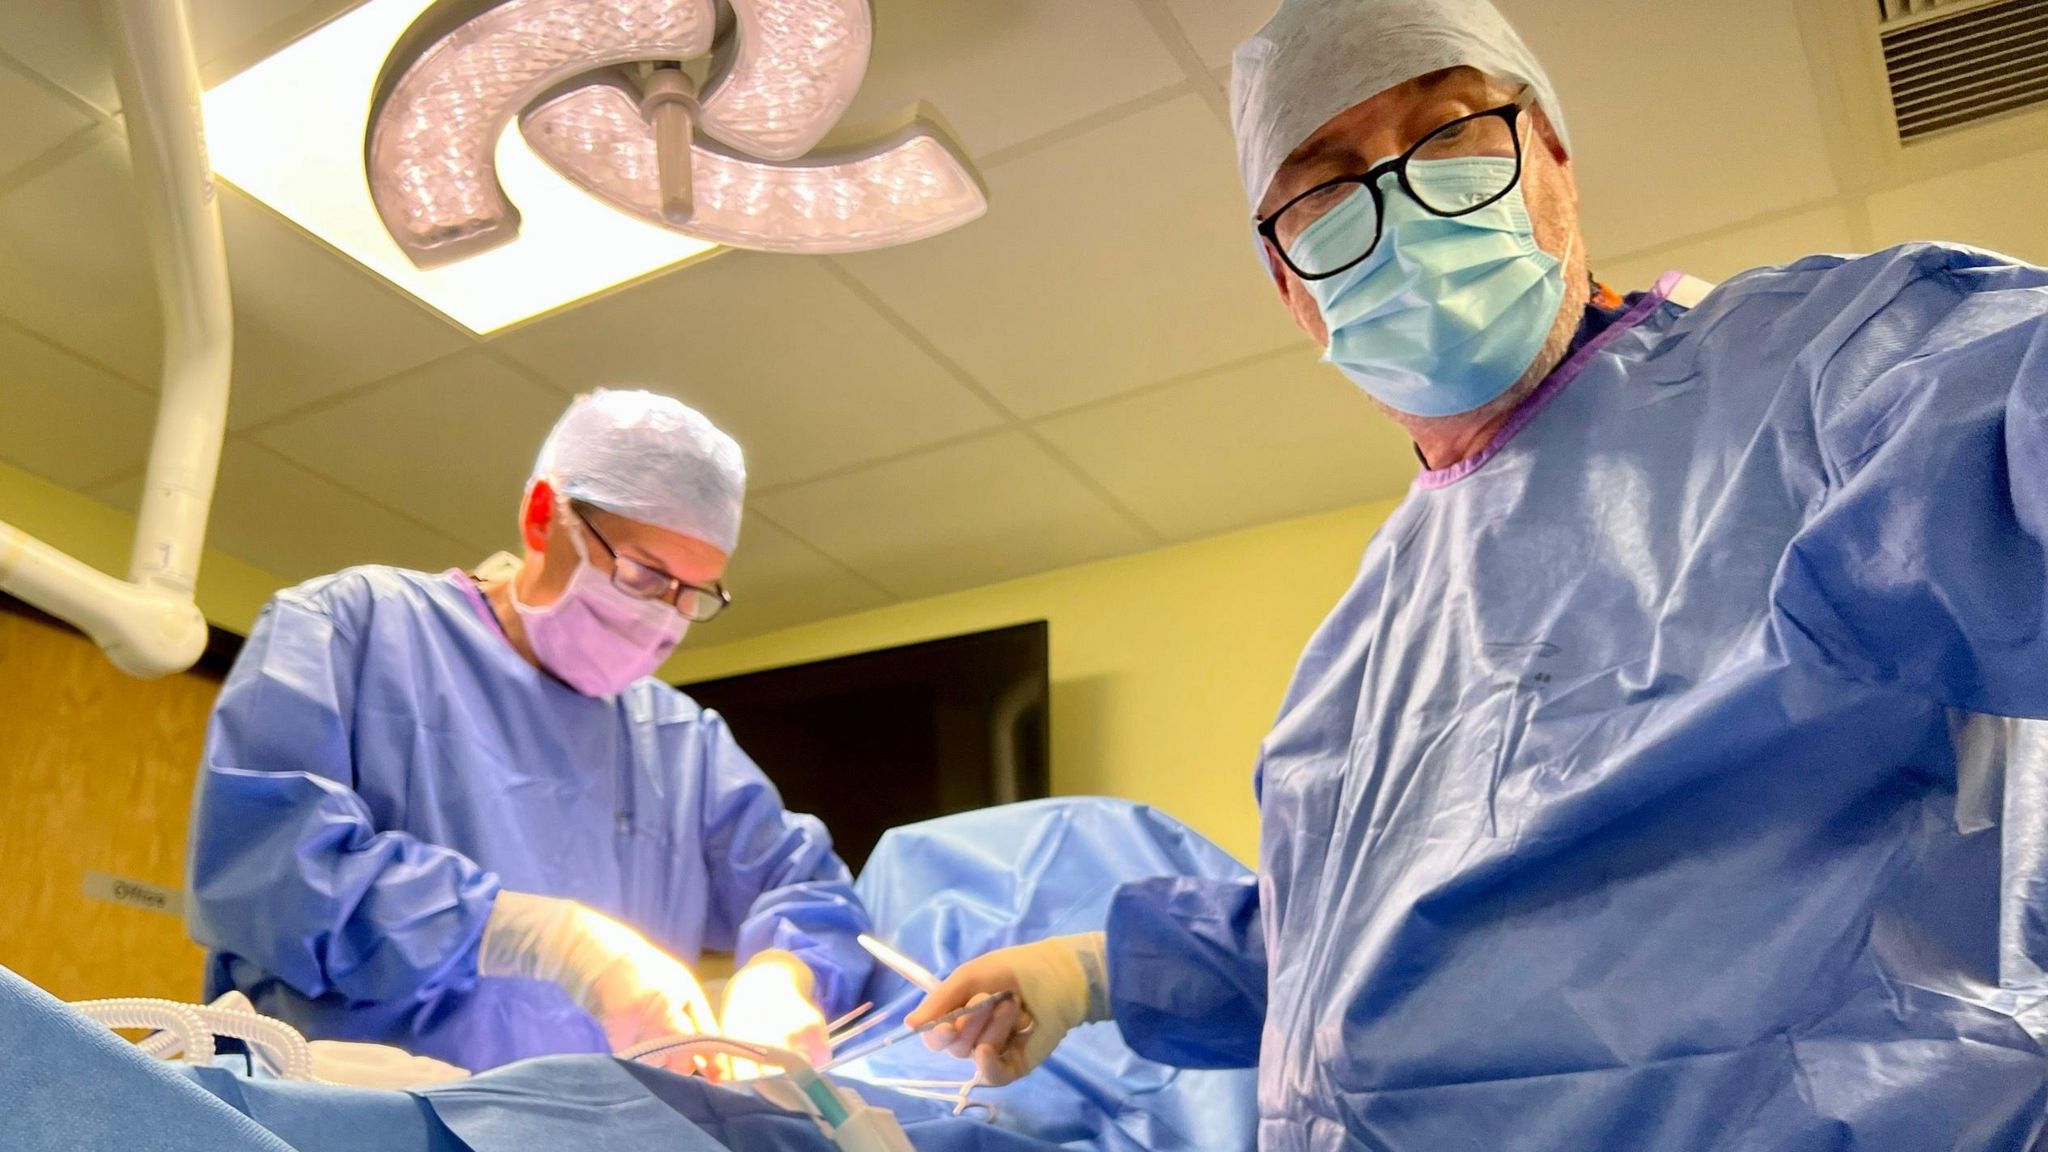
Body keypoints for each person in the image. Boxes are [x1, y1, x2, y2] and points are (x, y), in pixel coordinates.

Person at [907, 1, 2048, 1148]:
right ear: (1288, 282)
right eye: (1325, 185)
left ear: (1547, 155)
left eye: (1445, 135)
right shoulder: (1351, 657)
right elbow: (1337, 945)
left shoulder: (1821, 385)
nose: (1397, 206)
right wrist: (1083, 971)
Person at [186, 389, 873, 1073]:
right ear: (544, 516)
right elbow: (270, 876)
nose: (666, 616)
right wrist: (549, 939)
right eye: (642, 572)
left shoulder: (679, 743)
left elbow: (806, 887)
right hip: (353, 1122)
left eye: (693, 593)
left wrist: (781, 978)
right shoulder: (352, 628)